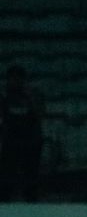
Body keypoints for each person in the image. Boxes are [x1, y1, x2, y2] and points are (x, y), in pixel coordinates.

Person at [0, 65, 44, 202]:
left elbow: (40, 114)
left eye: (18, 78)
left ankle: (31, 206)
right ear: (7, 80)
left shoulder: (33, 95)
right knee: (7, 178)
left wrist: (31, 98)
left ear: (24, 80)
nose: (15, 81)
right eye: (12, 78)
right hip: (10, 142)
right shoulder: (3, 96)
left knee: (30, 179)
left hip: (30, 142)